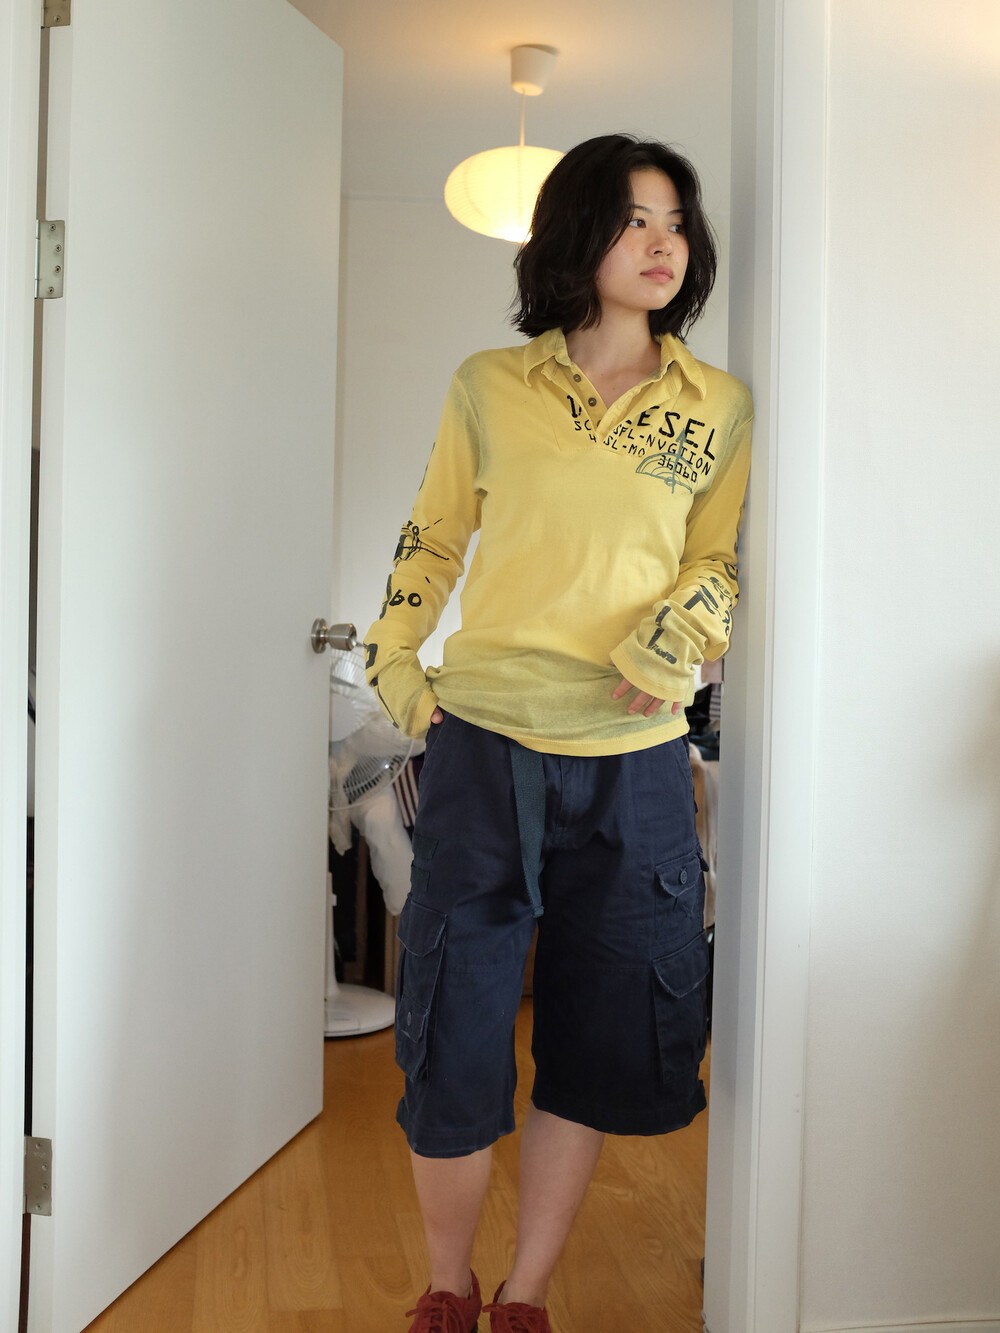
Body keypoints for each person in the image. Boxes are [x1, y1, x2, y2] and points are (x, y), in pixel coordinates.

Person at [364, 133, 752, 1333]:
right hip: (485, 748)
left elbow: (716, 561)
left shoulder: (717, 406)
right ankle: (448, 1283)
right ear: (578, 235)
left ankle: (525, 1291)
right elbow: (434, 535)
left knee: (593, 1032)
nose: (661, 243)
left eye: (675, 223)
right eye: (634, 219)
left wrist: (673, 641)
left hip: (635, 762)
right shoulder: (490, 384)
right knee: (455, 1023)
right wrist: (396, 666)